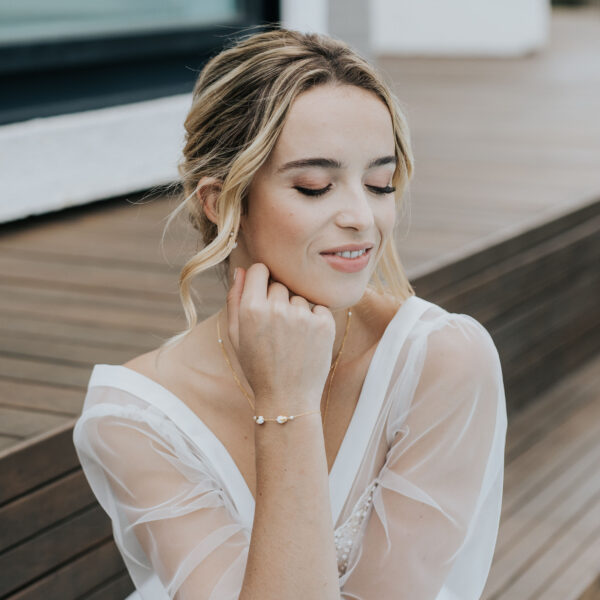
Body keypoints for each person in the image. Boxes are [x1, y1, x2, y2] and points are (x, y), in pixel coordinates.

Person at [73, 28, 507, 600]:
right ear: (220, 200)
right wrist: (286, 405)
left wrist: (287, 406)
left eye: (380, 182)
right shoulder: (133, 419)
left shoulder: (442, 360)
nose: (363, 216)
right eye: (314, 186)